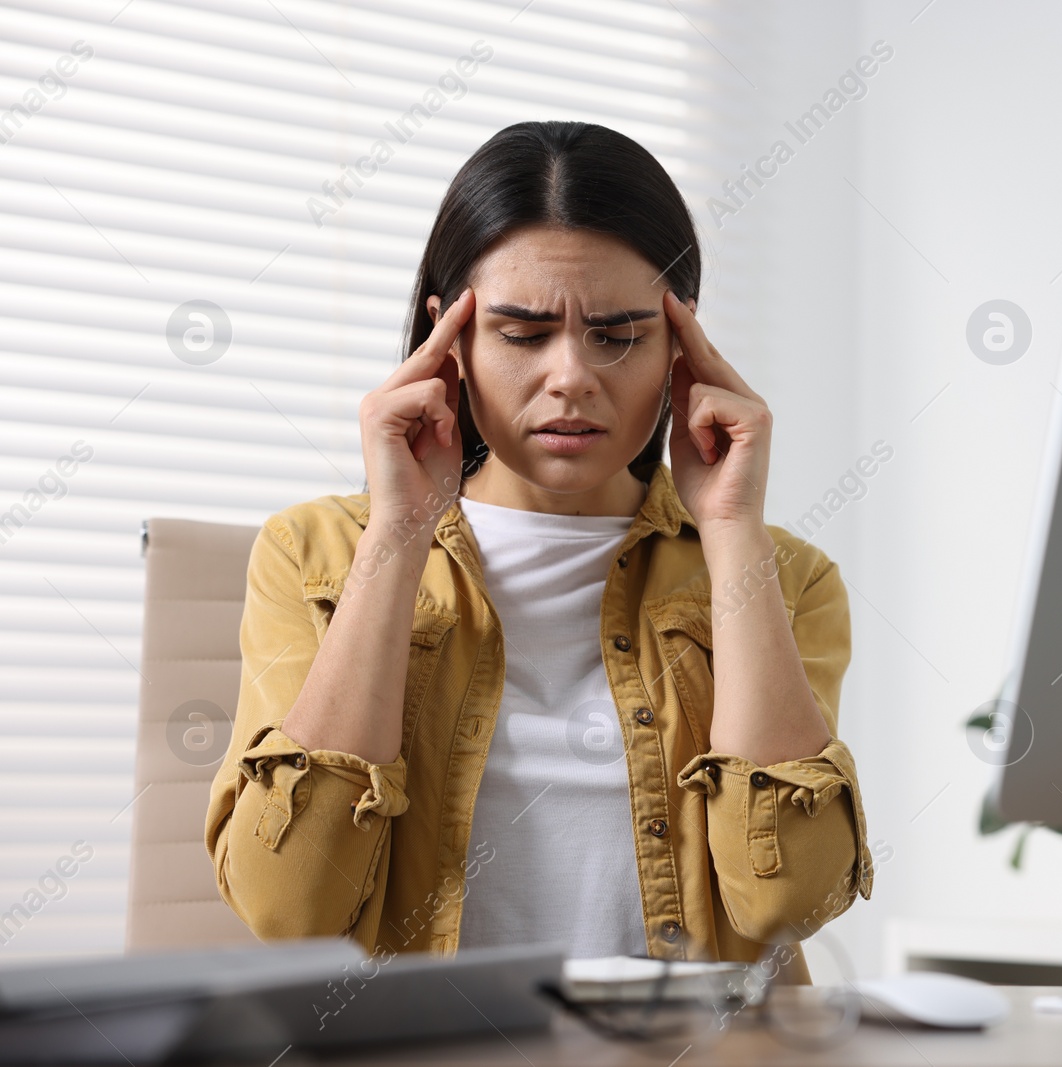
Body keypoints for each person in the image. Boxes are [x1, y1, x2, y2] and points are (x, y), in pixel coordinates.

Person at [203, 121, 872, 983]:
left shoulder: (786, 576)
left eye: (619, 334)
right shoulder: (312, 551)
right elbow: (290, 906)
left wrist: (732, 528)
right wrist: (400, 536)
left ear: (681, 340)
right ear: (449, 340)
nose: (571, 377)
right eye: (521, 334)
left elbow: (791, 902)